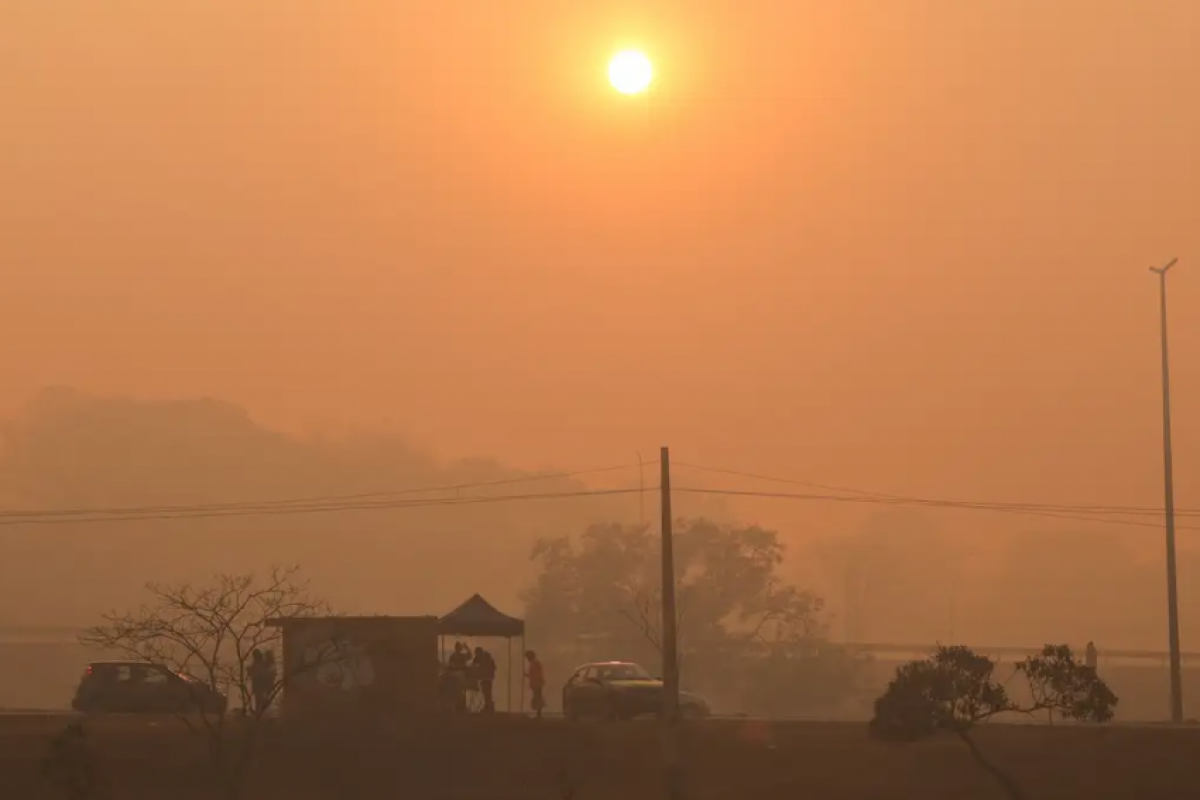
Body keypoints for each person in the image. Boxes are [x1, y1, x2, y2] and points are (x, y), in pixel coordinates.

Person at [473, 646, 497, 713]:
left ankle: (489, 707)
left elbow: (474, 663)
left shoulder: (481, 657)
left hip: (485, 678)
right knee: (488, 694)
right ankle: (489, 707)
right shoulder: (489, 657)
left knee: (486, 693)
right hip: (489, 678)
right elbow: (494, 667)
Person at [524, 650, 545, 719]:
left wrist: (527, 675)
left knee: (537, 697)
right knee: (537, 697)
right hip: (536, 683)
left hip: (537, 683)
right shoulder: (535, 663)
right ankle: (538, 713)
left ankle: (539, 713)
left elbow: (535, 674)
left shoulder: (535, 664)